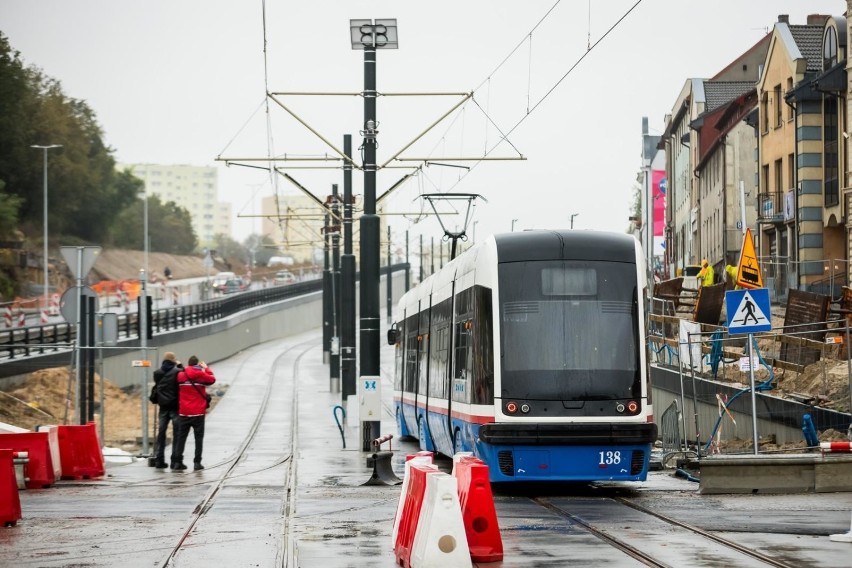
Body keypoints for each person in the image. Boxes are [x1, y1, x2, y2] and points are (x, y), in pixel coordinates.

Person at [172, 355, 216, 471]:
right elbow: (212, 379)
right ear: (197, 364)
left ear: (189, 363)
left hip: (184, 412)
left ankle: (177, 462)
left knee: (181, 438)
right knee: (198, 439)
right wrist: (206, 368)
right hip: (198, 413)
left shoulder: (181, 375)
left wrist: (181, 367)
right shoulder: (200, 375)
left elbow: (183, 374)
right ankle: (197, 463)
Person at [151, 352, 183, 469]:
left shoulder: (157, 373)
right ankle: (175, 461)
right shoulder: (178, 372)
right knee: (177, 434)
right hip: (175, 407)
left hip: (163, 407)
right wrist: (180, 366)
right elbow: (185, 377)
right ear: (173, 361)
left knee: (161, 434)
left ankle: (159, 460)